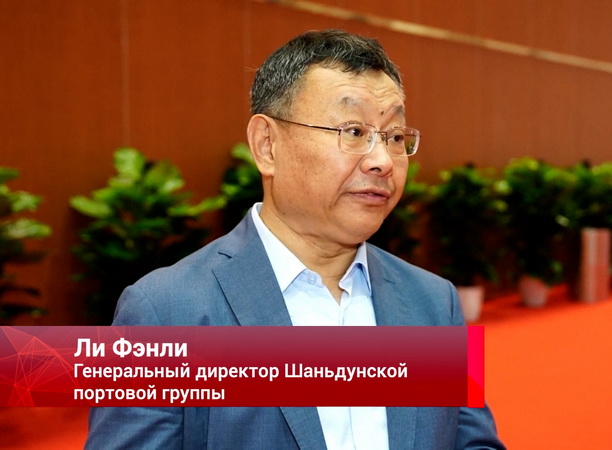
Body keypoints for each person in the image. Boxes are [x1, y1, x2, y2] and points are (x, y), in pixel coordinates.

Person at [86, 29, 504, 449]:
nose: (382, 161)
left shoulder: (435, 302)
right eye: (353, 131)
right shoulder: (165, 313)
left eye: (394, 137)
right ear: (267, 146)